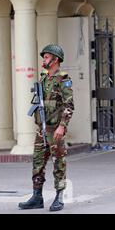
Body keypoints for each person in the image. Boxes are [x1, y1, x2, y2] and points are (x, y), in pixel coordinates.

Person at [18, 44, 74, 212]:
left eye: (47, 57)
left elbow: (69, 105)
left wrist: (62, 127)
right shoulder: (43, 77)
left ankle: (59, 197)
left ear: (55, 59)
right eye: (44, 56)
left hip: (55, 128)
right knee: (37, 162)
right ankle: (37, 196)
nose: (44, 59)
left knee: (58, 162)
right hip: (42, 129)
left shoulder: (63, 79)